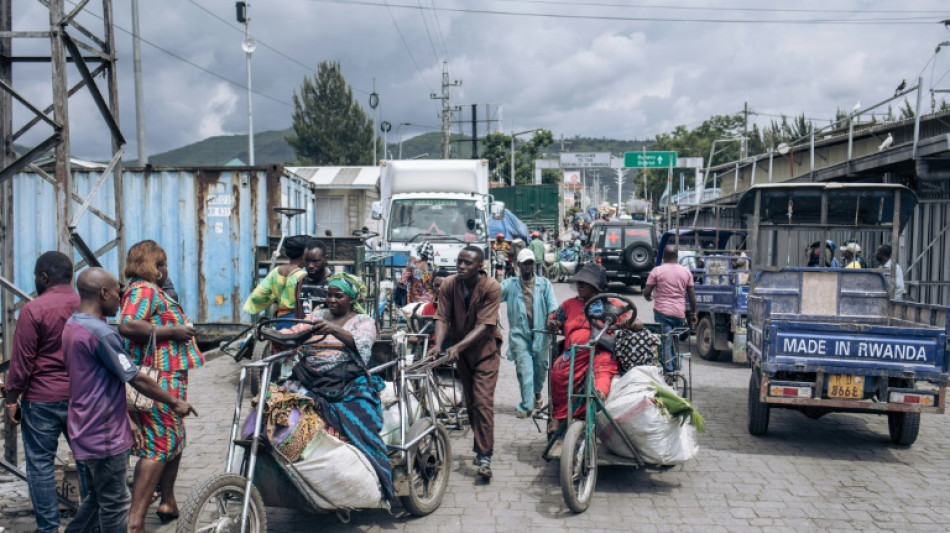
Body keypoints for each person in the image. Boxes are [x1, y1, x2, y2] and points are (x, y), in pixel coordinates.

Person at [63, 268, 197, 533]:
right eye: (117, 293)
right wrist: (174, 401)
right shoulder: (102, 334)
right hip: (104, 432)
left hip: (84, 425)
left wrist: (127, 420)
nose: (121, 300)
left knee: (98, 500)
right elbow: (136, 377)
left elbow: (98, 382)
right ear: (103, 293)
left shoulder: (73, 325)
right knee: (115, 506)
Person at [117, 240, 205, 531]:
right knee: (158, 445)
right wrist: (174, 330)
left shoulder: (152, 291)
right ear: (151, 267)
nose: (166, 270)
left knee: (175, 439)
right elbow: (128, 325)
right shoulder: (143, 289)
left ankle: (167, 500)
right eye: (162, 264)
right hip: (157, 381)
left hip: (170, 376)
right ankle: (135, 521)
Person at [280, 272, 393, 499]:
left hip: (346, 381)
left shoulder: (364, 321)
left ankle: (376, 472)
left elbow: (361, 344)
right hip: (309, 378)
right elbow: (294, 331)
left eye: (338, 296)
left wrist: (334, 329)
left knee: (362, 416)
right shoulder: (317, 315)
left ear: (351, 298)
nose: (331, 300)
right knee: (276, 405)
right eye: (329, 295)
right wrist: (274, 334)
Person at [4, 251, 86, 533]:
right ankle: (91, 525)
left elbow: (22, 361)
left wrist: (11, 399)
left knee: (39, 466)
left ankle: (48, 529)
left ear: (43, 277)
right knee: (87, 462)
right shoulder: (86, 304)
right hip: (82, 398)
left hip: (41, 400)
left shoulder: (33, 310)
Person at [428, 246, 502, 480]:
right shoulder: (449, 284)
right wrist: (438, 345)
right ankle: (480, 444)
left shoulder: (491, 287)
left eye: (467, 263)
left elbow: (485, 325)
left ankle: (485, 456)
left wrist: (457, 347)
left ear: (479, 266)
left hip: (485, 352)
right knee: (470, 402)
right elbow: (442, 316)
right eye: (459, 262)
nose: (461, 266)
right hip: (461, 354)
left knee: (483, 401)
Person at [545, 264, 637, 435]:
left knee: (602, 376)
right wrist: (553, 324)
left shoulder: (613, 304)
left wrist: (629, 324)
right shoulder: (569, 305)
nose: (579, 286)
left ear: (595, 286)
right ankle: (559, 416)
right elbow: (554, 320)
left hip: (601, 350)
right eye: (578, 283)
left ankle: (595, 409)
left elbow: (635, 322)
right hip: (574, 352)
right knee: (558, 372)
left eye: (584, 283)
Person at [501, 249, 558, 419]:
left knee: (540, 369)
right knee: (525, 370)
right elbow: (493, 294)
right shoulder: (510, 284)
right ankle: (526, 405)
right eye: (524, 263)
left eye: (530, 263)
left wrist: (552, 319)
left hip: (541, 333)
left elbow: (553, 306)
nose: (527, 266)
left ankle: (538, 394)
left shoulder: (544, 284)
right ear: (518, 265)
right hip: (520, 335)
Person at [644, 245, 697, 373]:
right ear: (676, 257)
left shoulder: (657, 271)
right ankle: (675, 365)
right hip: (679, 313)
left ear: (664, 257)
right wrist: (694, 313)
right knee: (675, 339)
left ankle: (669, 371)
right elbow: (691, 295)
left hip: (662, 312)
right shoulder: (685, 271)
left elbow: (647, 291)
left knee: (666, 340)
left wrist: (648, 297)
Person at [243, 235, 310, 328]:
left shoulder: (276, 271)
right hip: (299, 322)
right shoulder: (303, 276)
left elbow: (256, 297)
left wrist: (275, 297)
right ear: (304, 255)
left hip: (281, 320)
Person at [295, 239, 332, 318]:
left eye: (315, 261)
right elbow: (298, 314)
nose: (310, 265)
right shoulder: (301, 281)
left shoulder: (333, 283)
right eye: (307, 261)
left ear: (326, 259)